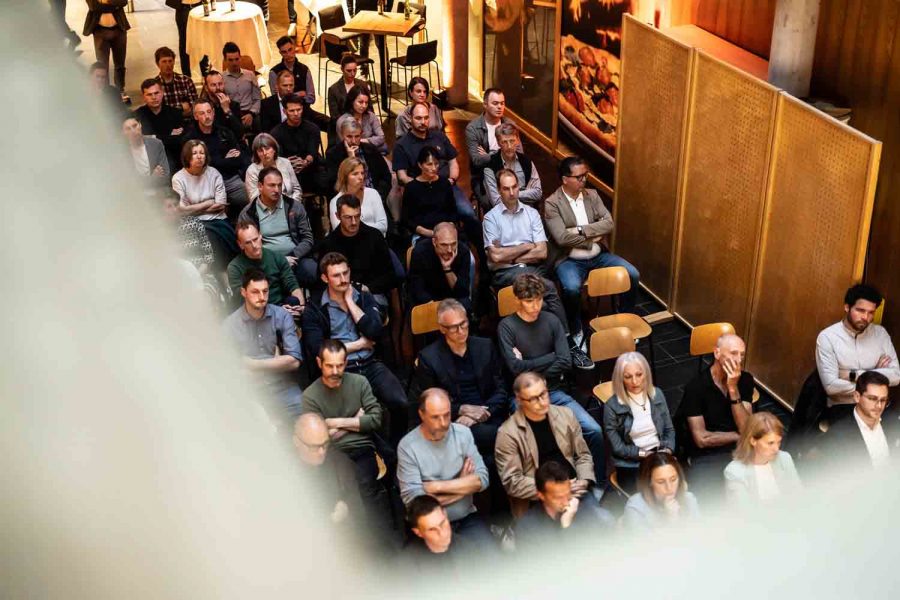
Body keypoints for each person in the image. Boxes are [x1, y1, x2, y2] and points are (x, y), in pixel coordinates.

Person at [498, 279, 604, 479]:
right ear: (517, 300)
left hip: (554, 392)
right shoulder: (507, 327)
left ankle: (598, 483)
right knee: (535, 443)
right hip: (524, 396)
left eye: (538, 300)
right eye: (529, 301)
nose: (535, 306)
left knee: (594, 430)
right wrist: (551, 357)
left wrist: (529, 365)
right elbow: (515, 368)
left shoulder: (551, 320)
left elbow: (565, 361)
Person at [302, 253, 409, 447]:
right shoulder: (315, 308)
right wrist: (359, 344)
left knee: (400, 402)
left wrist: (350, 302)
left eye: (345, 273)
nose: (343, 279)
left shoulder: (362, 296)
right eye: (336, 275)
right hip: (342, 369)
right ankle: (377, 450)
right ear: (325, 278)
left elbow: (375, 331)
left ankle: (396, 449)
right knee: (359, 414)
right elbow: (317, 348)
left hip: (370, 363)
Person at [485, 177, 592, 368]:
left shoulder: (532, 213)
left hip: (532, 268)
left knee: (547, 301)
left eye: (515, 187)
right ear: (499, 191)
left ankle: (555, 349)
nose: (512, 192)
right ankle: (567, 345)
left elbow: (541, 252)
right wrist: (526, 246)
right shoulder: (490, 218)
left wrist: (510, 255)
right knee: (549, 288)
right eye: (506, 188)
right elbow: (495, 256)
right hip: (505, 273)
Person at [298, 339, 393, 535]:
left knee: (365, 485)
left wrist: (335, 423)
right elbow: (319, 437)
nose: (335, 371)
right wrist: (356, 420)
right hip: (331, 453)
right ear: (319, 363)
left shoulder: (359, 383)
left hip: (362, 448)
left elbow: (376, 420)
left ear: (346, 362)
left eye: (339, 365)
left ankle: (377, 536)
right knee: (341, 490)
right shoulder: (310, 396)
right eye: (329, 366)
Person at [545, 156, 640, 341]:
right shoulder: (552, 203)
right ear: (565, 179)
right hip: (570, 259)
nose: (584, 180)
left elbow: (609, 223)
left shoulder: (592, 195)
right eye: (579, 177)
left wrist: (580, 230)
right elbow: (562, 238)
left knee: (632, 274)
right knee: (571, 288)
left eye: (585, 175)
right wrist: (591, 240)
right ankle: (576, 330)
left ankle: (625, 319)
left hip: (598, 255)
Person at [410, 299, 508, 461]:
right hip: (456, 421)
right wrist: (461, 409)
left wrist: (482, 413)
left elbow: (501, 389)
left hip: (490, 412)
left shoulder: (485, 346)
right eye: (454, 327)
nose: (461, 331)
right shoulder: (429, 358)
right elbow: (429, 403)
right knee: (500, 440)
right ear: (442, 329)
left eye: (463, 324)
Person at [397, 389, 491, 547]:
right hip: (429, 526)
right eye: (435, 417)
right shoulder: (408, 446)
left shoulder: (463, 433)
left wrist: (436, 487)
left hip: (466, 519)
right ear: (422, 414)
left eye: (447, 415)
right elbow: (415, 502)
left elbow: (482, 479)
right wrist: (463, 486)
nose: (443, 423)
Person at [495, 372, 597, 516]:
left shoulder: (566, 414)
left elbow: (583, 455)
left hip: (574, 486)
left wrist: (584, 480)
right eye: (533, 399)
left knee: (602, 521)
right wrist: (556, 490)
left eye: (543, 394)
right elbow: (513, 481)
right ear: (519, 400)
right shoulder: (507, 433)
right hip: (538, 497)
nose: (542, 402)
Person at [222, 268, 303, 428]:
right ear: (244, 292)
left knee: (305, 416)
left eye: (265, 291)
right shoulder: (230, 325)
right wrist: (277, 362)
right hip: (250, 391)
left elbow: (294, 361)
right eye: (255, 292)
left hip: (283, 387)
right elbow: (230, 370)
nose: (261, 297)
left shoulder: (281, 315)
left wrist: (252, 364)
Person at [680, 333, 755, 494]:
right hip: (709, 454)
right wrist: (738, 436)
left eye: (742, 355)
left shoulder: (745, 380)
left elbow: (745, 428)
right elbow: (702, 439)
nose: (739, 360)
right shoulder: (696, 387)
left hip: (739, 449)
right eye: (733, 353)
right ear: (717, 353)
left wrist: (733, 389)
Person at [816, 284, 900, 411]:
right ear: (847, 307)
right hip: (842, 408)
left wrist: (852, 375)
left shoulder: (880, 333)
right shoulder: (827, 337)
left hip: (877, 407)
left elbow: (896, 376)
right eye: (860, 310)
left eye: (871, 312)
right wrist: (876, 375)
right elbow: (831, 387)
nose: (866, 317)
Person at [603, 352, 676, 493]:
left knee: (673, 490)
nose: (635, 382)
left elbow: (669, 430)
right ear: (620, 379)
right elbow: (617, 447)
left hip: (659, 455)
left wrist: (667, 451)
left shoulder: (657, 394)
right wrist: (646, 455)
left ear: (646, 374)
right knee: (652, 494)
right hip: (632, 464)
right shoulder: (611, 406)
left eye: (639, 375)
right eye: (628, 377)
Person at [237, 166, 317, 288]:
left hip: (296, 259)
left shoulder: (294, 207)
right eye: (272, 185)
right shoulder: (248, 213)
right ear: (260, 186)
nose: (277, 190)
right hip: (265, 262)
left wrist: (294, 255)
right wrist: (279, 261)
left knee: (313, 270)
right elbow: (247, 246)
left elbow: (308, 239)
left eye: (279, 185)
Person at [317, 196, 399, 301]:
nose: (354, 222)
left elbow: (390, 276)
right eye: (348, 217)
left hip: (372, 293)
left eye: (357, 216)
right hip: (339, 296)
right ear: (338, 216)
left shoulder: (374, 236)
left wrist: (368, 288)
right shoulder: (328, 243)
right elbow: (321, 281)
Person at [293, 413, 364, 528]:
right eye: (314, 447)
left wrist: (347, 507)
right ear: (297, 442)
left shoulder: (340, 462)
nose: (322, 452)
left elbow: (357, 501)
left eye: (325, 444)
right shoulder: (284, 471)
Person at [818, 370, 900, 470]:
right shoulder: (837, 435)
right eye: (872, 399)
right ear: (857, 397)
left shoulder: (894, 423)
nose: (879, 406)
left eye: (883, 400)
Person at [515, 461, 609, 546]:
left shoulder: (585, 514)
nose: (566, 502)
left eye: (568, 494)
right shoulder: (527, 528)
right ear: (541, 495)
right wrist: (567, 527)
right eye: (559, 497)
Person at [182, 99, 249, 212]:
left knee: (252, 198)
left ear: (213, 113)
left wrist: (213, 161)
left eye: (209, 112)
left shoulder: (225, 132)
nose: (207, 116)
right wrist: (224, 159)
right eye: (202, 113)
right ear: (196, 116)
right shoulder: (190, 138)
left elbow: (238, 159)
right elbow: (198, 166)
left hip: (230, 179)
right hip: (205, 182)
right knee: (211, 209)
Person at [723, 412, 801, 507]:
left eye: (779, 442)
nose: (776, 449)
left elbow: (798, 494)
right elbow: (743, 511)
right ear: (753, 441)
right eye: (770, 443)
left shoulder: (784, 458)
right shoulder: (734, 471)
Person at [227, 221, 306, 308]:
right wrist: (277, 311)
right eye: (248, 242)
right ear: (240, 244)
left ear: (260, 236)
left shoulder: (277, 257)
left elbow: (293, 286)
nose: (254, 245)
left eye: (255, 239)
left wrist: (301, 307)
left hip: (282, 305)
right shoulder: (234, 267)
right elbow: (244, 300)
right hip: (255, 309)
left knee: (295, 302)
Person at [464, 88, 518, 201]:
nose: (499, 107)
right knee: (491, 202)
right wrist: (504, 153)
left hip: (510, 172)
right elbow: (477, 160)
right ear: (485, 105)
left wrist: (490, 155)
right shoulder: (473, 128)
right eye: (495, 103)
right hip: (482, 176)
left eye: (502, 103)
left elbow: (519, 153)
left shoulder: (510, 124)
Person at [623, 452, 700, 532]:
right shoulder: (636, 506)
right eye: (661, 482)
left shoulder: (689, 498)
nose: (669, 487)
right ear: (649, 482)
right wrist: (670, 520)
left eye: (673, 480)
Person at [402, 146, 463, 245]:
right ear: (420, 165)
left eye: (436, 163)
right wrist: (429, 233)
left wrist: (446, 229)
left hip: (446, 232)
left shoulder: (444, 183)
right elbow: (407, 219)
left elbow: (452, 211)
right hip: (423, 234)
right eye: (429, 164)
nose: (434, 168)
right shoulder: (411, 187)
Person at [268, 36, 330, 131]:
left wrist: (290, 96)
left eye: (290, 50)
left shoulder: (304, 69)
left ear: (294, 48)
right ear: (280, 53)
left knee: (331, 123)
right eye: (284, 52)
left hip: (305, 111)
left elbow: (311, 98)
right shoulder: (274, 73)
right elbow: (277, 99)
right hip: (285, 114)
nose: (288, 54)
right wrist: (299, 94)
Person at [407, 225, 473, 313]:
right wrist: (434, 307)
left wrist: (447, 268)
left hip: (452, 298)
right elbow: (417, 287)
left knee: (465, 304)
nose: (450, 250)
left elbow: (462, 292)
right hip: (428, 298)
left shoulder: (463, 251)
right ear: (434, 242)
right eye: (444, 245)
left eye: (453, 244)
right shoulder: (420, 251)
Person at [324, 118, 392, 204]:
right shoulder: (333, 154)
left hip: (374, 197)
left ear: (361, 135)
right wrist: (351, 158)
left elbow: (386, 177)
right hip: (348, 201)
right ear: (342, 135)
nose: (353, 141)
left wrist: (378, 196)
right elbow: (334, 185)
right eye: (349, 136)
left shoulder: (371, 149)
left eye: (357, 136)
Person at [270, 93, 325, 195]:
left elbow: (312, 152)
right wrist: (288, 163)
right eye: (292, 111)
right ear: (285, 111)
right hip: (286, 169)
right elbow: (278, 157)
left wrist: (305, 162)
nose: (296, 113)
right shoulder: (276, 133)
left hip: (310, 168)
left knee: (325, 178)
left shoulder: (313, 129)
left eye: (298, 110)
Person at [482, 122, 541, 209]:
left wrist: (508, 194)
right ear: (498, 143)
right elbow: (496, 201)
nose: (509, 146)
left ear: (517, 141)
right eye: (504, 142)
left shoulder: (527, 161)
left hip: (527, 210)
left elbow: (538, 193)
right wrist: (526, 193)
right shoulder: (490, 167)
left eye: (512, 141)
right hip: (503, 213)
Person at [133, 78, 185, 171]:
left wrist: (152, 136)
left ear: (162, 93)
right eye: (149, 94)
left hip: (173, 159)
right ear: (143, 96)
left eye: (156, 93)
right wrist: (168, 135)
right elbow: (138, 142)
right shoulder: (137, 116)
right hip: (147, 161)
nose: (154, 97)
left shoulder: (175, 113)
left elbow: (179, 141)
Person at [328, 157, 388, 236]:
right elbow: (340, 231)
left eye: (362, 173)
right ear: (345, 177)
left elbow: (383, 225)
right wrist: (370, 228)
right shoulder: (335, 201)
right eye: (355, 174)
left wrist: (356, 228)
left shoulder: (373, 194)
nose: (361, 177)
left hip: (375, 240)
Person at [83, 0, 129, 99]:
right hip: (100, 31)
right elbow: (93, 6)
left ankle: (120, 89)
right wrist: (114, 5)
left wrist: (105, 1)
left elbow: (123, 2)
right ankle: (105, 92)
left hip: (119, 29)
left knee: (120, 64)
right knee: (102, 65)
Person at [244, 133, 302, 203]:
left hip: (290, 204)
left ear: (274, 149)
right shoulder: (252, 170)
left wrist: (293, 205)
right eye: (260, 151)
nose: (265, 153)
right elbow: (254, 198)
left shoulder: (285, 162)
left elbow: (297, 189)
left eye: (267, 149)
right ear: (256, 154)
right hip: (266, 208)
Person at [221, 42, 261, 131]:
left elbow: (257, 99)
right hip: (232, 114)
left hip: (250, 112)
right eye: (230, 60)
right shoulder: (221, 78)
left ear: (240, 58)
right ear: (225, 60)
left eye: (237, 59)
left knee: (260, 122)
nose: (234, 63)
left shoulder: (250, 75)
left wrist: (251, 114)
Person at [334, 87, 386, 155]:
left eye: (366, 103)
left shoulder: (371, 116)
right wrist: (372, 142)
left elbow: (381, 137)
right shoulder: (342, 121)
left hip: (372, 153)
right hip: (350, 155)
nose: (364, 106)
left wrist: (362, 141)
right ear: (352, 101)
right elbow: (347, 146)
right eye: (360, 102)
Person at [122, 116, 170, 189]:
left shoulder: (156, 144)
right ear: (123, 132)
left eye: (135, 126)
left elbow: (166, 174)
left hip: (158, 190)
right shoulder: (121, 152)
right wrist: (153, 177)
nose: (133, 131)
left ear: (140, 125)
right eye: (128, 129)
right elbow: (128, 183)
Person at [198, 70, 244, 139]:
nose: (218, 88)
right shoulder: (202, 107)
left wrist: (227, 110)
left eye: (220, 84)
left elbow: (240, 133)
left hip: (231, 142)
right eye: (213, 85)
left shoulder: (233, 105)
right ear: (206, 88)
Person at [154, 46, 198, 118]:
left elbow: (195, 107)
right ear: (157, 64)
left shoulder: (186, 81)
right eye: (164, 61)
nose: (168, 65)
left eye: (170, 61)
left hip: (187, 122)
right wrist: (181, 110)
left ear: (174, 62)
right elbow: (156, 112)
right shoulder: (154, 85)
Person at [163, 1, 199, 78]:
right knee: (184, 43)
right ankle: (186, 76)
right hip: (183, 8)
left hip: (200, 6)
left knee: (202, 40)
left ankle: (206, 74)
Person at [327, 54, 367, 120]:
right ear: (342, 69)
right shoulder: (333, 90)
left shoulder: (363, 85)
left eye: (355, 70)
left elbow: (370, 110)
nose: (353, 74)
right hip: (344, 124)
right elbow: (335, 116)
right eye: (349, 71)